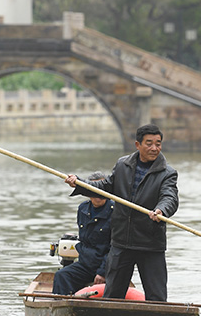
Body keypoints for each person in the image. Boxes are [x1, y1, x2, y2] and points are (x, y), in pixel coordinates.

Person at [65, 124, 178, 302]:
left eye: (158, 143)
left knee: (156, 297)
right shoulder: (123, 165)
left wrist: (161, 210)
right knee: (113, 294)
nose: (154, 148)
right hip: (121, 242)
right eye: (149, 143)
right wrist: (80, 183)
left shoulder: (167, 173)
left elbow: (169, 197)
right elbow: (105, 187)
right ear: (137, 145)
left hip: (150, 243)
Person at [52, 172, 114, 295]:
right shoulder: (83, 209)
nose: (98, 195)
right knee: (61, 276)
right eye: (94, 190)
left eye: (102, 190)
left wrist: (102, 272)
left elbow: (115, 248)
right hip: (86, 264)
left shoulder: (116, 211)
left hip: (107, 266)